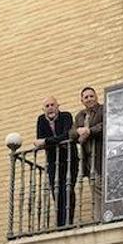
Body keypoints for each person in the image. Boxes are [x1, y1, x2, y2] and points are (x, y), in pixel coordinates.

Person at [35, 96, 76, 227]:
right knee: (56, 191)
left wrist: (47, 141)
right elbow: (39, 139)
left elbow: (67, 135)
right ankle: (60, 224)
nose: (50, 108)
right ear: (43, 109)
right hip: (53, 161)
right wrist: (53, 141)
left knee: (68, 189)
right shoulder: (41, 120)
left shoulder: (66, 116)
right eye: (47, 106)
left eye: (52, 105)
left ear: (58, 106)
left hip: (70, 159)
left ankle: (68, 222)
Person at [69, 87, 104, 218]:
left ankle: (105, 217)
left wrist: (90, 131)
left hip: (101, 155)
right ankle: (98, 218)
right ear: (82, 100)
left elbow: (105, 124)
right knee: (95, 188)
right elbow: (71, 133)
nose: (89, 99)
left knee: (104, 186)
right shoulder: (80, 116)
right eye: (86, 97)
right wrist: (78, 131)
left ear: (96, 97)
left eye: (91, 96)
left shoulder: (103, 109)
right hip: (88, 160)